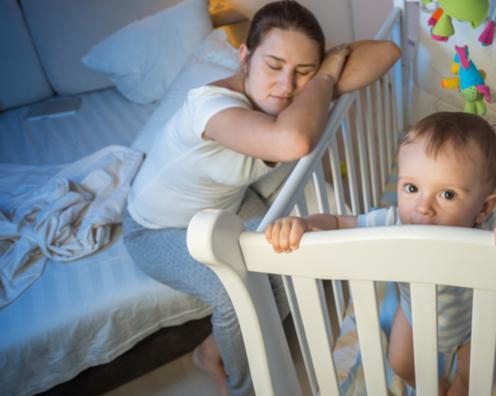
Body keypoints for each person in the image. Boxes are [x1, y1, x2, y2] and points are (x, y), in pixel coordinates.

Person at [122, 1, 400, 395]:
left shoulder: (294, 93)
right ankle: (242, 386)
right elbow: (294, 140)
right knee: (233, 292)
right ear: (244, 58)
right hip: (157, 229)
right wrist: (324, 76)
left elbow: (389, 52)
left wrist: (326, 67)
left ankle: (210, 348)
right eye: (273, 65)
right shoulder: (211, 108)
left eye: (302, 71)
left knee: (286, 256)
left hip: (226, 206)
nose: (286, 86)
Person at [265, 111, 496, 396]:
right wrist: (306, 224)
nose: (423, 207)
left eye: (447, 195)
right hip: (413, 314)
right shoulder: (395, 222)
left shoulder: (488, 228)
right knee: (400, 363)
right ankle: (437, 387)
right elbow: (337, 222)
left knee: (474, 376)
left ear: (483, 208)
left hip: (474, 320)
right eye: (411, 188)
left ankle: (456, 387)